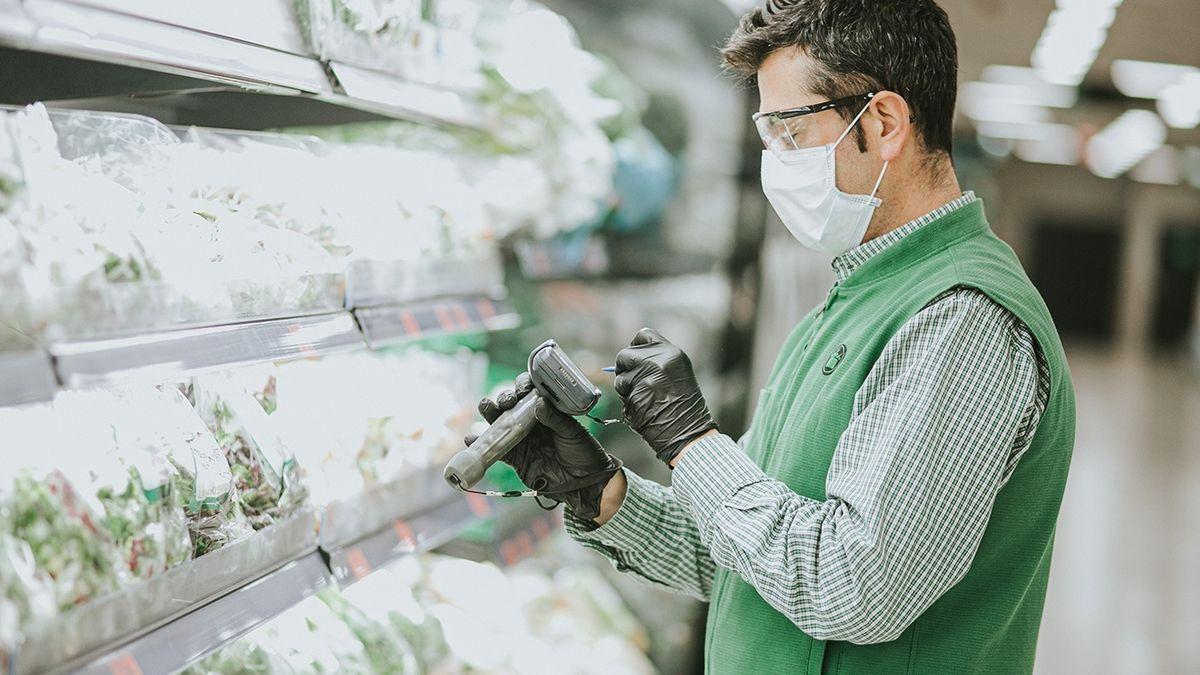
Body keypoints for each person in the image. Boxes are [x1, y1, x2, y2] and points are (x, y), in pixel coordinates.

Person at [469, 1, 1075, 672]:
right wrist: (602, 492)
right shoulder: (851, 301)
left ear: (882, 123)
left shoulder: (962, 318)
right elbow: (750, 559)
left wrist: (691, 441)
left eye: (787, 130)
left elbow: (855, 588)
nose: (774, 161)